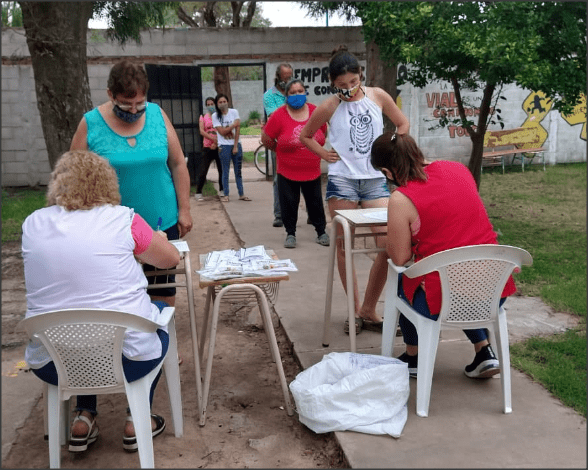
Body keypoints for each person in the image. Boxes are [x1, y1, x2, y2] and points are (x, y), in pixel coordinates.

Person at [22, 150, 181, 453]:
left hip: (54, 362)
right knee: (158, 313)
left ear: (58, 183)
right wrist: (146, 243)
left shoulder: (32, 224)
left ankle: (83, 417)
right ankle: (137, 418)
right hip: (128, 362)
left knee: (79, 321)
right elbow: (169, 259)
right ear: (107, 183)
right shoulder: (123, 219)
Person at [370, 132, 518, 379]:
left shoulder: (401, 197)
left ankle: (414, 356)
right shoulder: (457, 169)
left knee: (403, 279)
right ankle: (484, 350)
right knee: (462, 278)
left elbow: (399, 257)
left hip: (447, 300)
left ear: (387, 171)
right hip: (494, 291)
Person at [300, 45, 410, 335]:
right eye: (341, 86)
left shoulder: (377, 96)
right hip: (342, 181)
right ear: (332, 84)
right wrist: (324, 155)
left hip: (374, 179)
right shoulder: (329, 106)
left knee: (390, 244)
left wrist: (392, 147)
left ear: (361, 75)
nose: (349, 89)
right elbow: (306, 135)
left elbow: (402, 123)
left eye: (352, 82)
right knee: (343, 245)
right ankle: (354, 310)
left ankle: (368, 310)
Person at [70, 59, 192, 309]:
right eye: (126, 104)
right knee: (120, 298)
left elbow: (178, 163)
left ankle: (161, 341)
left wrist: (185, 209)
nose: (134, 111)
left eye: (140, 104)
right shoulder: (91, 123)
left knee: (162, 291)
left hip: (162, 221)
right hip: (112, 231)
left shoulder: (157, 115)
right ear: (110, 95)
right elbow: (72, 177)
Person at [261, 79, 330, 249]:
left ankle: (321, 231)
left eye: (300, 91)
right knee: (289, 203)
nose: (297, 95)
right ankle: (290, 233)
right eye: (292, 93)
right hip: (287, 170)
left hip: (312, 169)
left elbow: (323, 133)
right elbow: (266, 138)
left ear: (305, 92)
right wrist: (280, 150)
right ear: (286, 96)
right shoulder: (279, 115)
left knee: (315, 202)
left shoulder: (316, 111)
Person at [263, 63, 293, 227]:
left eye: (291, 76)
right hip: (279, 143)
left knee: (303, 176)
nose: (289, 80)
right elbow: (275, 117)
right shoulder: (269, 96)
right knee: (279, 177)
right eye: (286, 77)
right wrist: (292, 107)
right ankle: (279, 215)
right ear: (278, 76)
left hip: (297, 140)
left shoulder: (295, 92)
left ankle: (309, 213)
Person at [212, 93, 251, 202]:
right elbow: (222, 131)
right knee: (225, 171)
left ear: (228, 102)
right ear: (217, 104)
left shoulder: (234, 112)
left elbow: (238, 130)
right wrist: (233, 125)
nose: (223, 104)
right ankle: (226, 194)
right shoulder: (215, 116)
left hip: (235, 144)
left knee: (238, 171)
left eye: (224, 101)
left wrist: (235, 146)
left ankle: (241, 193)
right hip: (223, 146)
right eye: (220, 102)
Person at [195, 96, 223, 200]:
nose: (210, 106)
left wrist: (216, 143)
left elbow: (222, 130)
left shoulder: (220, 116)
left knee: (221, 170)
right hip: (207, 147)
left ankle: (222, 190)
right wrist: (212, 139)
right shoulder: (203, 116)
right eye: (208, 104)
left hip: (219, 146)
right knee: (203, 170)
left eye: (212, 104)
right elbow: (202, 131)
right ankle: (198, 192)